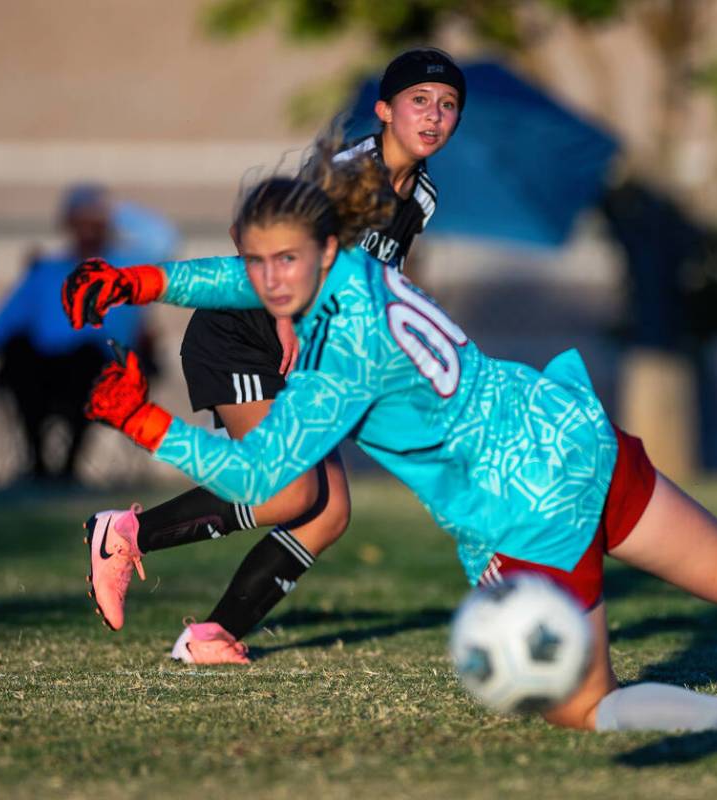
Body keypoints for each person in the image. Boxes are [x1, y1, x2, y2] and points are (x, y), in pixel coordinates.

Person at [62, 142, 717, 734]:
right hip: (566, 426)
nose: (267, 279)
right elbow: (251, 275)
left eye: (282, 263)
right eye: (257, 263)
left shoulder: (336, 367)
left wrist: (140, 419)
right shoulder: (353, 264)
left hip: (521, 502)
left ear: (317, 252)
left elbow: (262, 472)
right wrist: (143, 282)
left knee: (579, 703)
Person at [83, 47, 465, 664]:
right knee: (286, 492)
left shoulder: (421, 199)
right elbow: (250, 229)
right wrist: (285, 313)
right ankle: (124, 534)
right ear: (384, 110)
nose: (434, 115)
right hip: (241, 335)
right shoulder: (346, 171)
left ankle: (212, 637)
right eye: (419, 100)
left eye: (448, 106)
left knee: (329, 511)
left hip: (305, 361)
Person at [0, 184, 159, 484]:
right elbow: (0, 327)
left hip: (97, 366)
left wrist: (113, 210)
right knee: (19, 357)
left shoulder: (126, 269)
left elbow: (163, 240)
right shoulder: (46, 270)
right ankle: (37, 464)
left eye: (95, 222)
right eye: (81, 221)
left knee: (88, 360)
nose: (88, 230)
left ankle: (68, 466)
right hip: (42, 368)